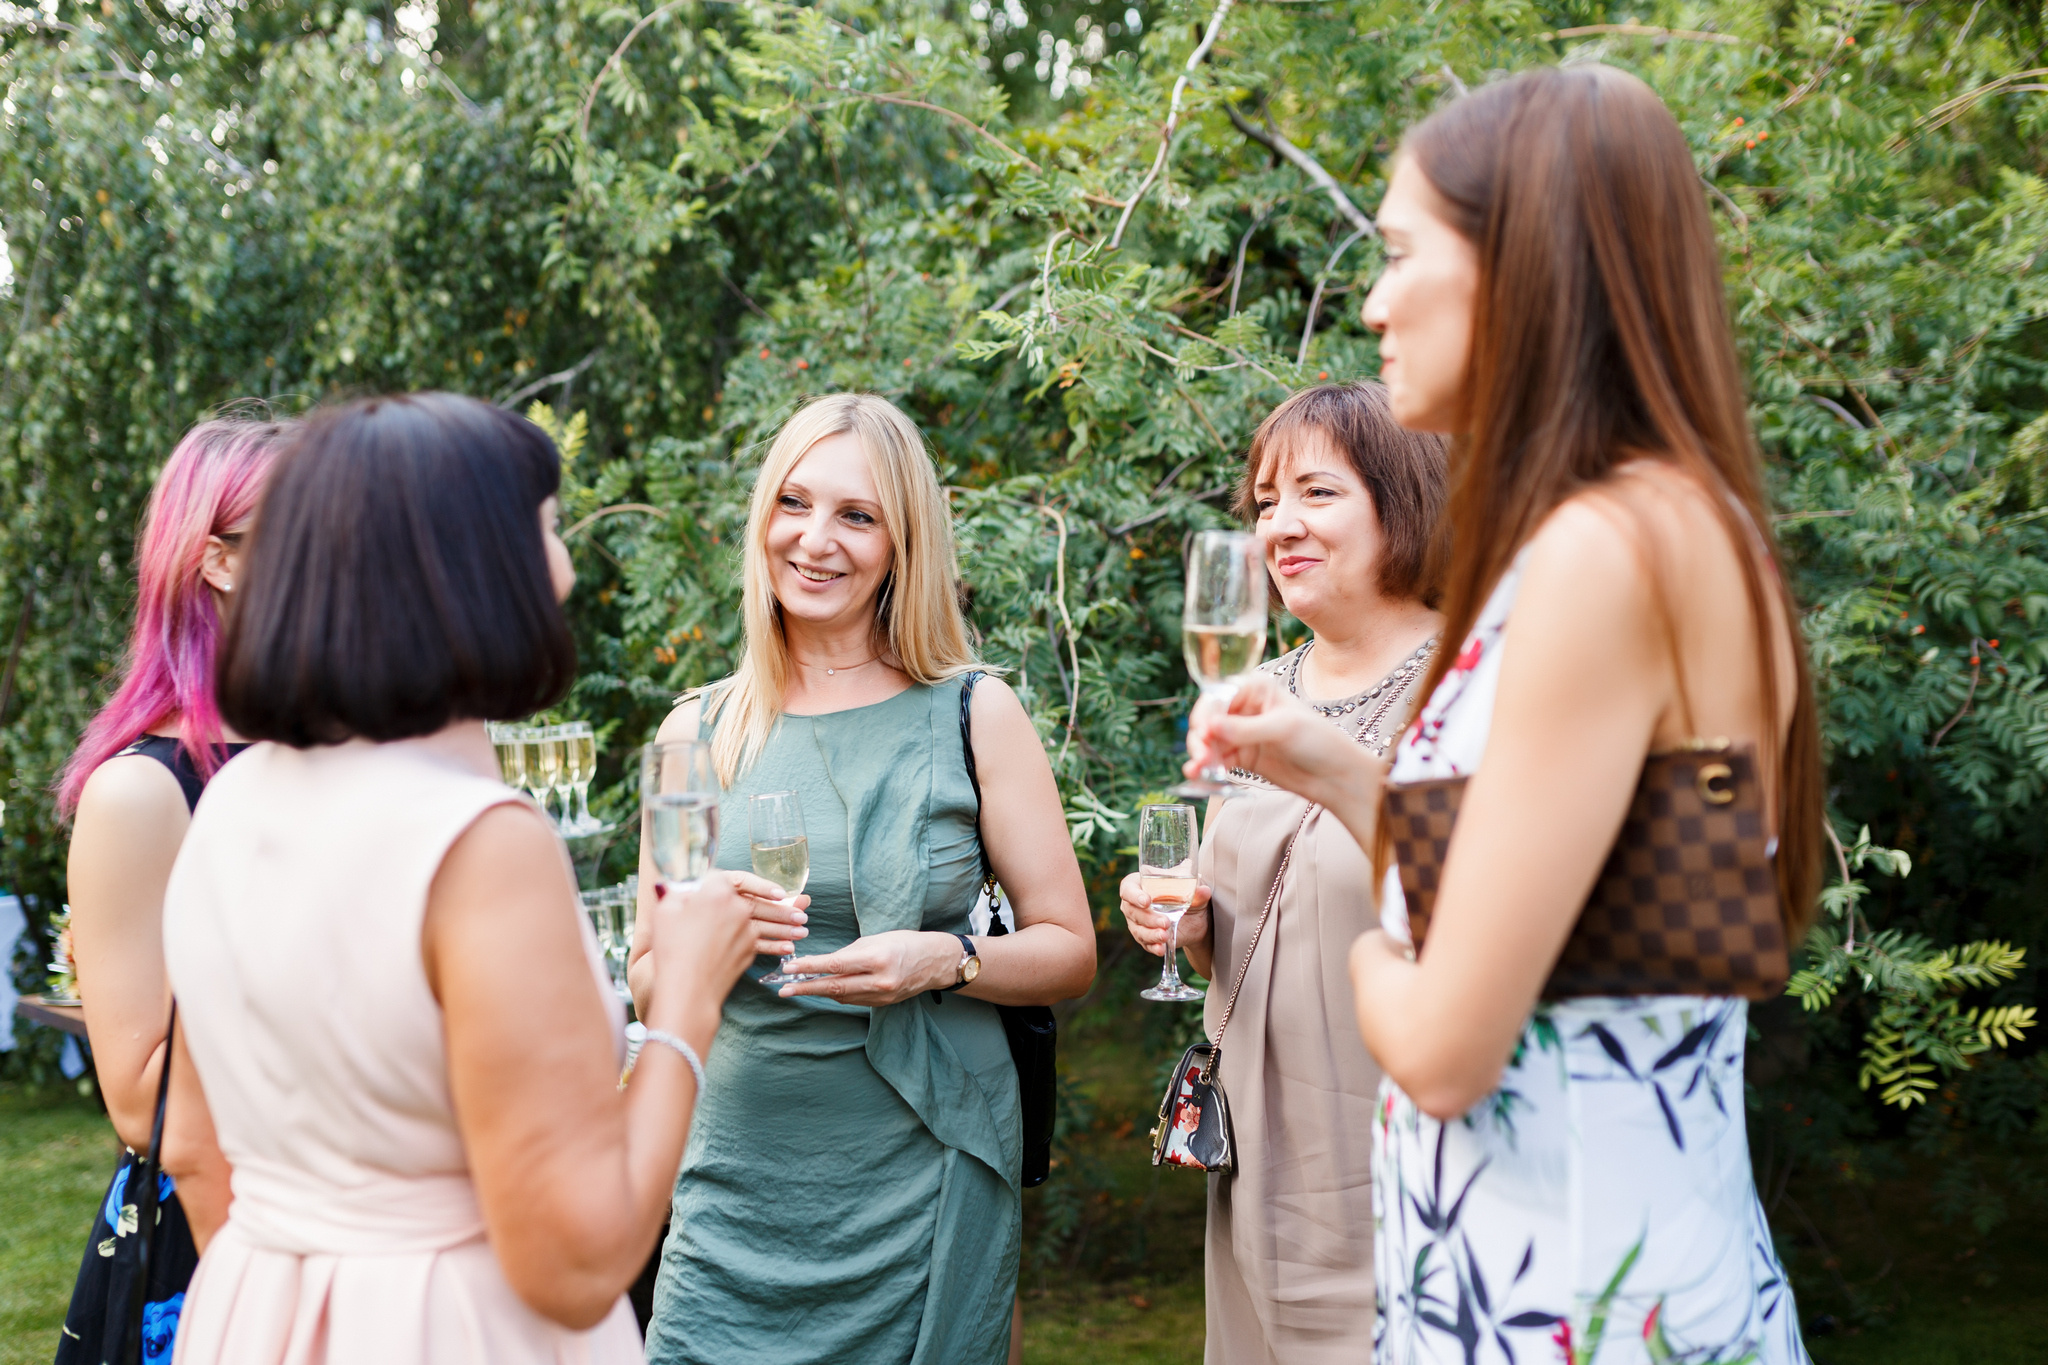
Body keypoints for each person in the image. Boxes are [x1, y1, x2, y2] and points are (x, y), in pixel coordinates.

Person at [1189, 67, 1820, 1364]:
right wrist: (1327, 767)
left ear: (1523, 265)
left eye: (1400, 254)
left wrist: (1369, 964)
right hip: (1601, 1270)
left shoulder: (1600, 555)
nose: (1374, 302)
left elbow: (1443, 1049)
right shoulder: (1670, 526)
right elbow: (1601, 917)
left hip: (1567, 1301)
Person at [156, 393, 766, 1363]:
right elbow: (574, 1265)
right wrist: (688, 1001)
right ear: (470, 565)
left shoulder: (227, 803)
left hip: (260, 1317)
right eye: (547, 530)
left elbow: (194, 1143)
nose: (565, 572)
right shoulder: (480, 845)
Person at [631, 392, 1097, 1365]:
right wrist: (703, 941)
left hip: (921, 1174)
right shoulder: (693, 732)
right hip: (731, 1178)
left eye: (856, 515)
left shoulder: (974, 712)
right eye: (794, 503)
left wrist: (946, 959)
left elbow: (1069, 951)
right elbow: (645, 977)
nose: (815, 540)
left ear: (900, 544)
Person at [1117, 381, 1444, 1364]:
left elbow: (1490, 910)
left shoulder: (1461, 689)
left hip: (1391, 1161)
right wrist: (1184, 924)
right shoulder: (1255, 690)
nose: (1280, 525)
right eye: (1265, 502)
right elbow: (1253, 922)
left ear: (1403, 501)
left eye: (1316, 493)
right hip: (1255, 1157)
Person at [53, 415, 293, 1365]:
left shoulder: (338, 756)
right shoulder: (140, 793)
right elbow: (138, 1097)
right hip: (213, 1243)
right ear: (218, 561)